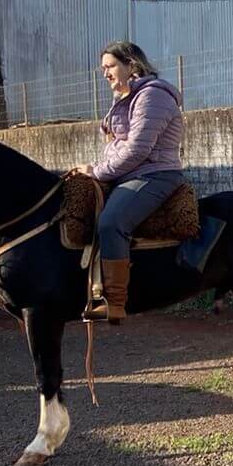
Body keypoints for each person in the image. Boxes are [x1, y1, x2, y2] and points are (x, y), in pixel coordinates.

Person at [73, 41, 186, 323]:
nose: (105, 73)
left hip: (154, 174)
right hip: (129, 173)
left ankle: (114, 301)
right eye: (103, 68)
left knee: (111, 222)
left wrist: (98, 171)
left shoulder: (153, 96)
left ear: (131, 65)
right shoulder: (125, 98)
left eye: (110, 66)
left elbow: (137, 150)